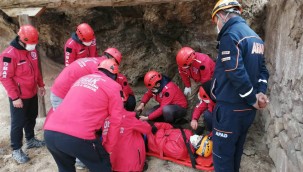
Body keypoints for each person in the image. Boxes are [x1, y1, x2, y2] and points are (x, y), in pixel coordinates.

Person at [210, 0, 269, 171]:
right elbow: (263, 71)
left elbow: (236, 72)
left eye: (215, 21)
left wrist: (252, 99)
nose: (217, 25)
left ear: (222, 15)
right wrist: (260, 93)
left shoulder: (231, 35)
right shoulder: (256, 38)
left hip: (230, 110)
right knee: (236, 152)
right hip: (246, 112)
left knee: (222, 157)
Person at [44, 59, 123, 172]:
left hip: (50, 133)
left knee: (65, 168)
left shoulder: (82, 79)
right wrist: (109, 148)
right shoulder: (114, 86)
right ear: (115, 75)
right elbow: (116, 121)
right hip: (79, 137)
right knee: (102, 166)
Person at [0, 25, 46, 164]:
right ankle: (16, 150)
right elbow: (5, 77)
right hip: (18, 97)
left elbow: (36, 70)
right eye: (31, 43)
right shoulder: (9, 55)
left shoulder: (32, 51)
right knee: (18, 123)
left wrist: (41, 84)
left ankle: (30, 139)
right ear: (22, 40)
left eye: (34, 43)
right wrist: (15, 97)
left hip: (32, 92)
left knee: (31, 117)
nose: (33, 46)